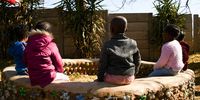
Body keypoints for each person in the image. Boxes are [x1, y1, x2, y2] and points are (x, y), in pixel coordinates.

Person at [97, 16, 141, 85]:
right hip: (129, 78)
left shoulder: (107, 45)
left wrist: (100, 79)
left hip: (113, 78)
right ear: (126, 29)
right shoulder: (133, 43)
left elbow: (103, 64)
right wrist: (134, 73)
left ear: (111, 29)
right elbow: (137, 61)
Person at [24, 21, 69, 88]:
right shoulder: (51, 45)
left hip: (33, 78)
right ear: (50, 32)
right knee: (66, 78)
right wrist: (60, 72)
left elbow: (25, 61)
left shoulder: (28, 44)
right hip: (48, 77)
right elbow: (58, 63)